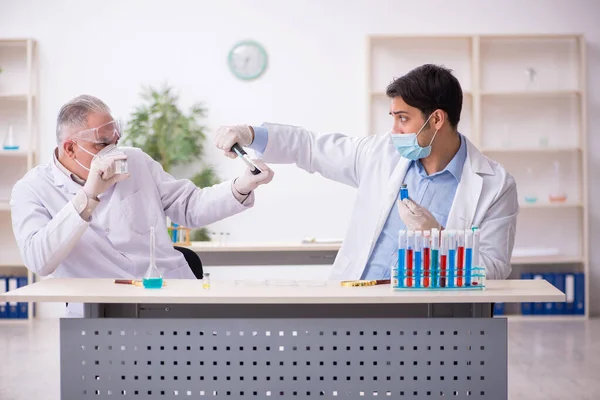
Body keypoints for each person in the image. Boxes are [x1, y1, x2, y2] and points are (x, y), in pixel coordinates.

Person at [215, 64, 518, 281]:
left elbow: (493, 269)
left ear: (437, 119)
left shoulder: (495, 185)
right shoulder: (381, 154)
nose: (395, 130)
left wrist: (436, 238)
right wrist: (252, 133)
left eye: (403, 119)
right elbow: (310, 147)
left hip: (430, 320)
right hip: (357, 300)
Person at [10, 95, 273, 315]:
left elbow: (190, 207)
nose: (112, 150)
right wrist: (88, 197)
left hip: (170, 294)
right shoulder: (32, 189)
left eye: (114, 141)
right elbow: (39, 260)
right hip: (100, 313)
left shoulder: (135, 161)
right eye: (102, 144)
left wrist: (242, 185)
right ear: (69, 149)